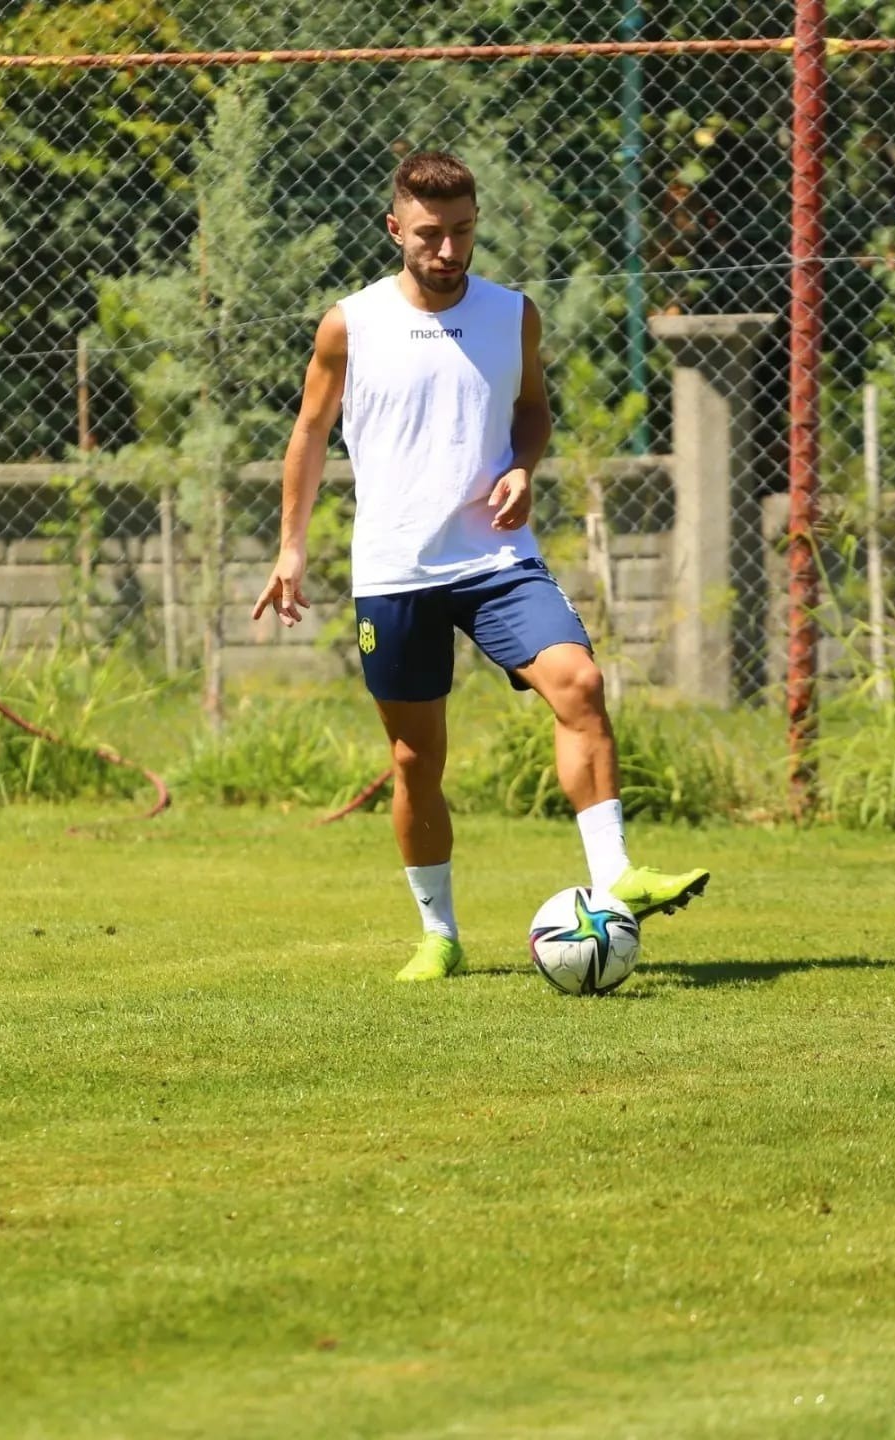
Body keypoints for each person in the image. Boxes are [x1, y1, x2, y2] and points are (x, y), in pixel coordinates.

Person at [252, 150, 709, 983]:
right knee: (415, 760)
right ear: (395, 229)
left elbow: (533, 409)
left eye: (463, 231)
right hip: (395, 570)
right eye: (430, 233)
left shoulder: (512, 314)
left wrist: (523, 467)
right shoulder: (350, 325)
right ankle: (439, 934)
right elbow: (310, 434)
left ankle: (616, 877)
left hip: (498, 558)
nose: (449, 249)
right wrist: (291, 546)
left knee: (579, 684)